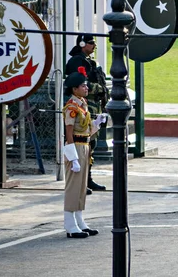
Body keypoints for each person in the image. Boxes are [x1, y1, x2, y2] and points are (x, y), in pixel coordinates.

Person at [62, 68, 107, 238]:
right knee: (73, 186)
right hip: (75, 147)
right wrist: (72, 157)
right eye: (83, 86)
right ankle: (70, 224)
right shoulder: (72, 107)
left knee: (81, 187)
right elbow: (69, 132)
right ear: (74, 89)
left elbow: (87, 131)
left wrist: (97, 123)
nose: (86, 88)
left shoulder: (83, 105)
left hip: (85, 146)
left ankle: (79, 221)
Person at [65, 34, 109, 193]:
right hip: (85, 106)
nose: (94, 46)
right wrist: (97, 88)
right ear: (83, 44)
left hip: (92, 106)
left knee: (92, 145)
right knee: (84, 145)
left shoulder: (89, 61)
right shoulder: (77, 61)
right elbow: (77, 82)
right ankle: (81, 181)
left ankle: (87, 179)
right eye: (91, 43)